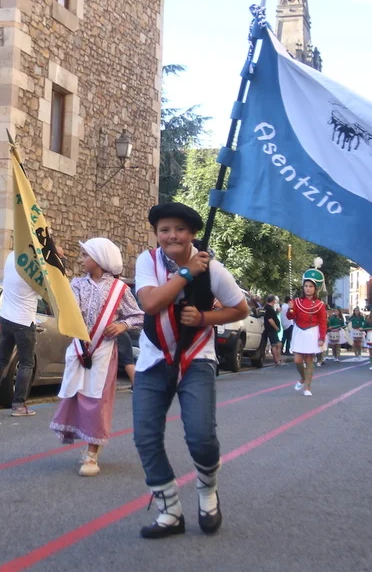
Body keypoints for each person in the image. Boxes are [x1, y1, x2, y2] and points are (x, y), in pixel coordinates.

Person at [132, 202, 248, 539]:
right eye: (164, 230)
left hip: (197, 357)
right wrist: (186, 273)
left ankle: (208, 490)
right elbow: (150, 303)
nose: (172, 236)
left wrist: (203, 318)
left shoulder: (213, 268)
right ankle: (169, 511)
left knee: (201, 435)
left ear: (193, 233)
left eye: (180, 229)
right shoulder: (147, 261)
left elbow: (239, 309)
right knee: (145, 436)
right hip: (155, 358)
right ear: (156, 234)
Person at [50, 238, 142, 477]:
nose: (81, 260)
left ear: (99, 260)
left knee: (97, 400)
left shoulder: (120, 290)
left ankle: (92, 454)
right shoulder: (77, 284)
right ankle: (81, 439)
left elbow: (138, 316)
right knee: (76, 396)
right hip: (80, 349)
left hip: (103, 352)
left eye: (85, 256)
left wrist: (122, 325)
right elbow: (68, 311)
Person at [0, 249, 41, 417]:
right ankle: (18, 405)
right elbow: (48, 287)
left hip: (6, 317)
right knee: (26, 363)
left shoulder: (11, 256)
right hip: (24, 320)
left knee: (2, 358)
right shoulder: (37, 267)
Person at [287, 262, 329, 395]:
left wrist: (321, 338)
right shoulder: (297, 302)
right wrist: (290, 308)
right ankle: (303, 378)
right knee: (297, 360)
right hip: (299, 331)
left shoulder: (320, 304)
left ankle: (308, 388)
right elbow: (290, 317)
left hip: (312, 332)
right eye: (306, 286)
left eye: (311, 286)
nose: (308, 289)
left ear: (315, 288)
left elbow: (323, 322)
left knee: (309, 360)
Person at [262, 295, 283, 366]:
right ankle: (277, 360)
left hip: (270, 329)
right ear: (273, 300)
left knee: (277, 344)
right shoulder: (269, 309)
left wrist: (276, 312)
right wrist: (276, 327)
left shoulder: (267, 308)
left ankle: (278, 359)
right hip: (271, 329)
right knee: (275, 344)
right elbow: (270, 320)